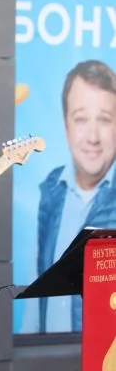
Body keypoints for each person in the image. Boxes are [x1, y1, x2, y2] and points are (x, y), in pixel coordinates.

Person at [35, 60, 116, 333]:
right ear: (65, 124)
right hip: (53, 360)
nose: (92, 137)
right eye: (81, 119)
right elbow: (41, 283)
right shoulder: (50, 190)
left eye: (104, 119)